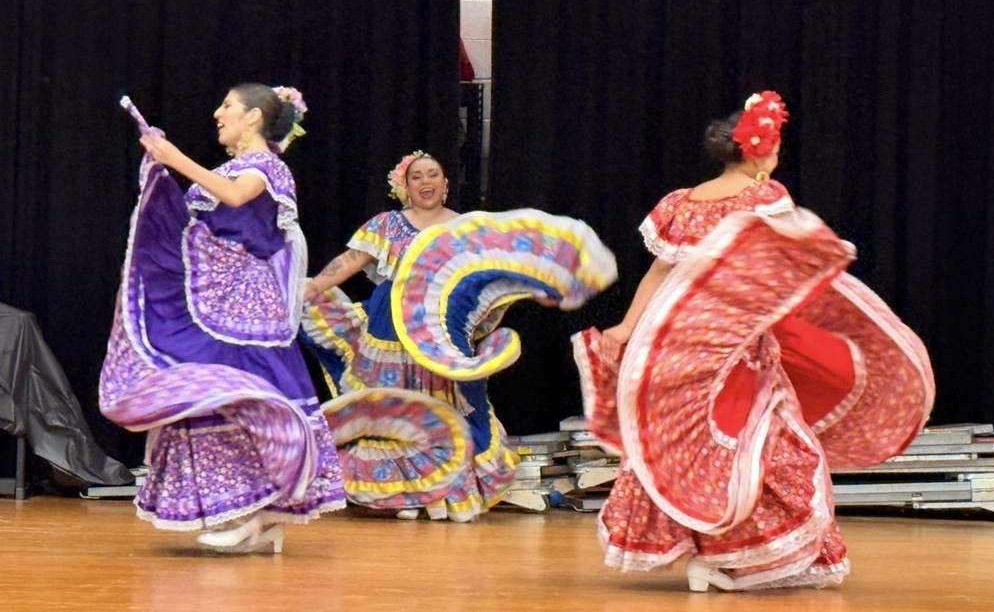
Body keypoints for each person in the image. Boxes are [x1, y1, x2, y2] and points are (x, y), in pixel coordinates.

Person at [572, 91, 934, 591]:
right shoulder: (764, 198)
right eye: (777, 146)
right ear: (761, 152)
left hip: (679, 352)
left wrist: (628, 327)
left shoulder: (685, 203)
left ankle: (720, 558)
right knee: (768, 451)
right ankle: (730, 560)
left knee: (700, 452)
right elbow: (790, 260)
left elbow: (658, 272)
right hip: (738, 354)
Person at [100, 83, 347, 554]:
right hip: (214, 297)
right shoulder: (228, 169)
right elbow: (189, 226)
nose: (218, 112)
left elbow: (235, 198)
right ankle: (255, 515)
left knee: (249, 395)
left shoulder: (268, 167)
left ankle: (262, 512)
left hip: (247, 306)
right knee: (214, 393)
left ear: (253, 117)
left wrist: (174, 158)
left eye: (228, 105)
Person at [301, 151, 520, 521]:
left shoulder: (466, 228)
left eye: (433, 174)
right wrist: (308, 290)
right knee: (397, 408)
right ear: (405, 187)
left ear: (446, 184)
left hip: (439, 333)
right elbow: (349, 262)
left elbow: (488, 280)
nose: (426, 182)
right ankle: (405, 494)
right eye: (416, 176)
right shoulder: (387, 226)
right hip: (389, 331)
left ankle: (445, 490)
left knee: (441, 408)